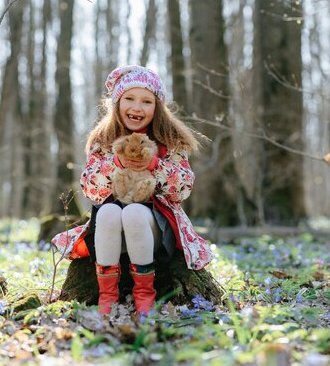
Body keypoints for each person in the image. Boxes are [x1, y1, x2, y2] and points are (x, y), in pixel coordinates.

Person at [52, 65, 213, 315]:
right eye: (129, 98)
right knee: (106, 213)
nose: (137, 107)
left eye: (146, 101)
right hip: (111, 231)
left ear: (157, 106)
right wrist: (115, 164)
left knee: (134, 213)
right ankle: (107, 296)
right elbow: (91, 189)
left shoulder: (169, 139)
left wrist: (154, 166)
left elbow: (182, 188)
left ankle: (144, 294)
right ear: (116, 102)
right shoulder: (103, 140)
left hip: (154, 229)